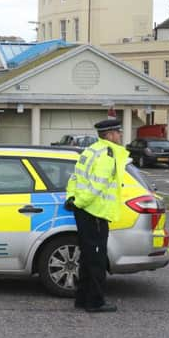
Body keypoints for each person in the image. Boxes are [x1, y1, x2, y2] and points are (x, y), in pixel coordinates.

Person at [65, 119, 129, 313]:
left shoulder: (90, 151)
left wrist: (73, 199)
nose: (120, 136)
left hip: (86, 212)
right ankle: (95, 302)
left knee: (87, 258)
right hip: (95, 213)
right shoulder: (107, 156)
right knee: (96, 260)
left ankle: (82, 298)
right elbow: (97, 185)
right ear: (109, 135)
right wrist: (80, 202)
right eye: (118, 132)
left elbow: (74, 178)